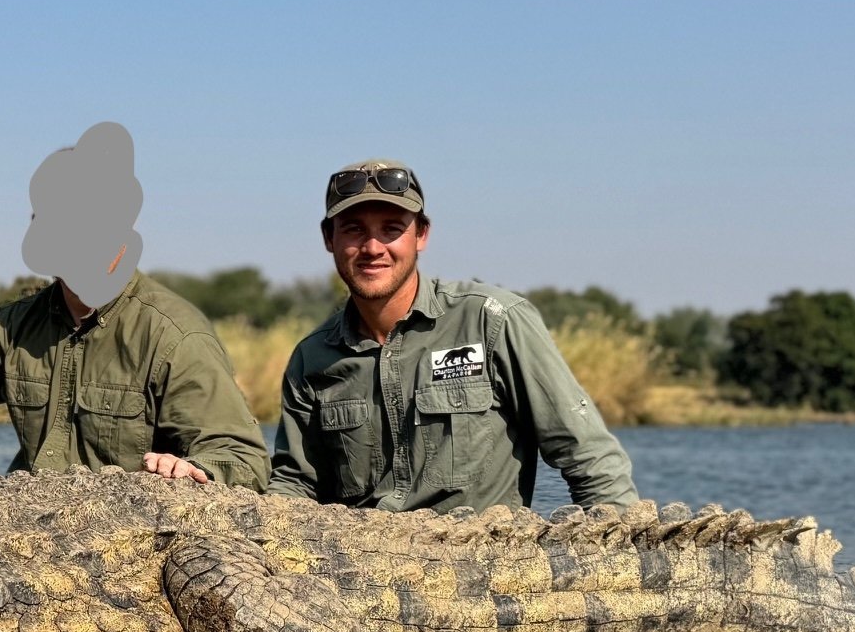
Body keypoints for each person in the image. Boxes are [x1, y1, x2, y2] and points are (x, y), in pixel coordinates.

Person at [0, 124, 270, 489]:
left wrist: (197, 469)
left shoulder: (174, 336)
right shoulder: (14, 325)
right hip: (20, 526)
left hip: (119, 543)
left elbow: (242, 457)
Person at [270, 160, 635, 514]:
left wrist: (623, 546)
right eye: (353, 229)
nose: (372, 247)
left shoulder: (492, 320)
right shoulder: (312, 357)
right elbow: (296, 484)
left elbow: (586, 454)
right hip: (364, 565)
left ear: (422, 235)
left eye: (392, 229)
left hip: (484, 561)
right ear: (328, 238)